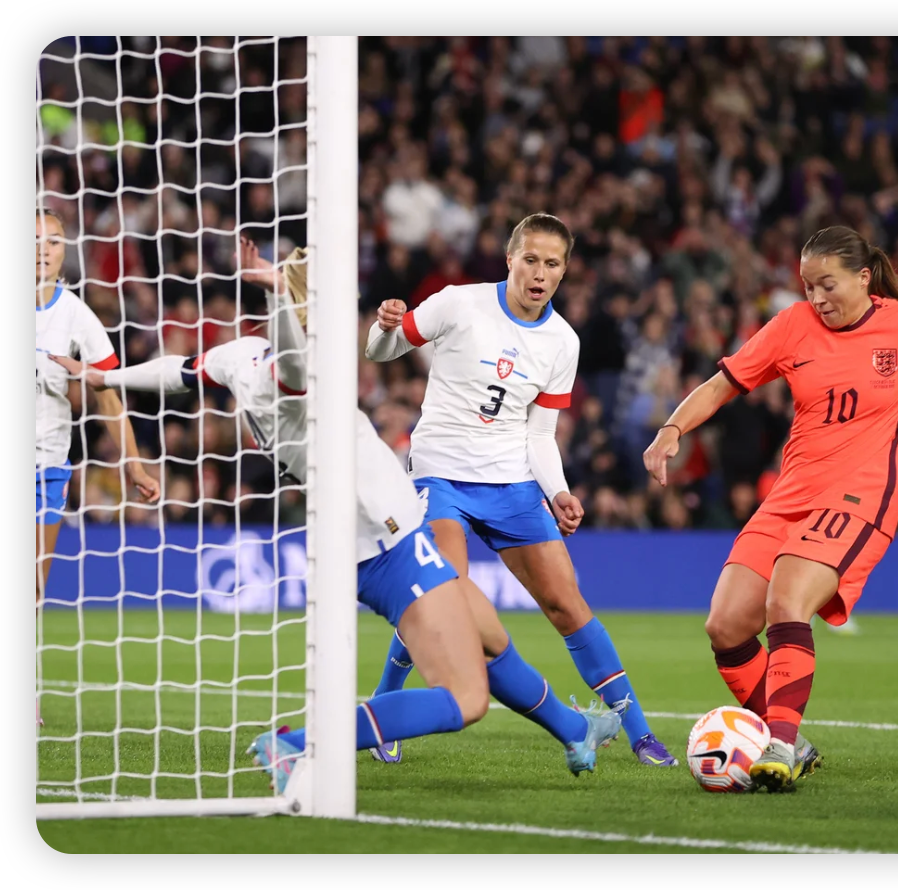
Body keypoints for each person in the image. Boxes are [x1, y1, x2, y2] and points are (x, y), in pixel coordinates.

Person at [53, 237, 625, 792]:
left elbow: (179, 370)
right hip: (389, 542)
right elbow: (291, 363)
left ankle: (577, 732)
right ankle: (300, 744)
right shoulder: (297, 374)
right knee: (466, 698)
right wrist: (279, 292)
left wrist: (105, 377)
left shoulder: (241, 357)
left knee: (490, 636)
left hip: (375, 536)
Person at [644, 224, 898, 793]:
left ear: (863, 277)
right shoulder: (792, 325)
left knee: (786, 600)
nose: (817, 298)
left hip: (860, 495)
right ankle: (794, 743)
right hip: (791, 495)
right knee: (725, 626)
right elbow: (720, 385)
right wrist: (671, 429)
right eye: (808, 286)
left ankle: (779, 746)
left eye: (827, 284)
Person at [366, 212, 678, 767]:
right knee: (442, 598)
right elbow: (380, 351)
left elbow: (539, 433)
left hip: (512, 486)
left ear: (564, 271)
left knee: (567, 605)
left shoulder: (562, 342)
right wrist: (387, 326)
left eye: (551, 264)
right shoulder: (458, 302)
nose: (539, 273)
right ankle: (384, 711)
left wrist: (558, 492)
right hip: (442, 479)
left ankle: (639, 733)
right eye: (530, 259)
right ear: (510, 259)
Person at [36, 206, 160, 726]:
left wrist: (133, 465)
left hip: (47, 465)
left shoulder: (77, 316)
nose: (43, 249)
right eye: (35, 240)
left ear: (65, 250)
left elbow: (108, 396)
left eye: (53, 241)